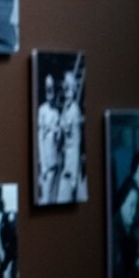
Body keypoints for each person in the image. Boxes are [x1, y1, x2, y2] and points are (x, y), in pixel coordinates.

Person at [56, 70, 84, 203]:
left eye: (69, 86)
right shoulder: (65, 109)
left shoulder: (75, 110)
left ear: (73, 89)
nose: (66, 89)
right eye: (65, 86)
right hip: (64, 156)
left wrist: (73, 174)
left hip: (72, 160)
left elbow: (77, 141)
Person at [36, 73, 61, 205]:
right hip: (47, 164)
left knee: (55, 199)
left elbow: (58, 141)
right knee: (46, 200)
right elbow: (40, 139)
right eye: (48, 87)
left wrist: (58, 132)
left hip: (56, 162)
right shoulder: (42, 111)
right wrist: (43, 165)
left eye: (52, 87)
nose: (50, 90)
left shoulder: (57, 112)